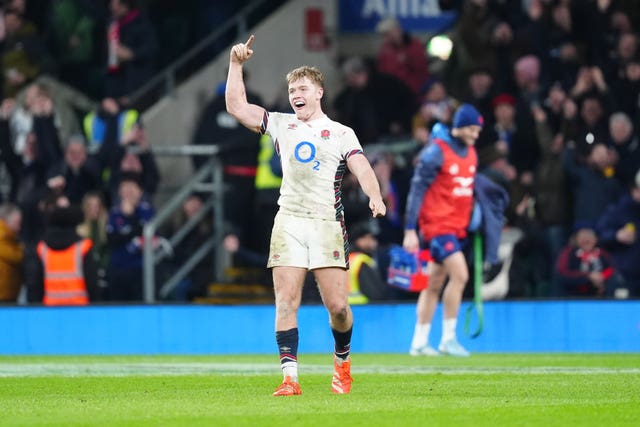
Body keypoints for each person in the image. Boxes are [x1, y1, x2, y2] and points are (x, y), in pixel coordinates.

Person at [225, 35, 386, 396]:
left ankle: (342, 365)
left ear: (318, 92)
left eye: (302, 88)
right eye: (291, 89)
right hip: (289, 221)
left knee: (339, 308)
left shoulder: (342, 133)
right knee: (286, 300)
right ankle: (289, 379)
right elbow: (237, 106)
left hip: (327, 223)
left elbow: (361, 166)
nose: (295, 94)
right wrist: (236, 64)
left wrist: (375, 195)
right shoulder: (283, 124)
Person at [403, 104, 484, 357]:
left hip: (456, 228)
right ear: (459, 127)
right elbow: (416, 191)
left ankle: (418, 342)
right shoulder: (436, 152)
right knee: (460, 275)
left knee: (434, 284)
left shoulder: (471, 153)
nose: (475, 134)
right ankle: (448, 339)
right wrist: (410, 229)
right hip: (437, 227)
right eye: (471, 129)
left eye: (478, 130)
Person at [0, 203, 24, 303]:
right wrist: (22, 249)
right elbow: (16, 257)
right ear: (6, 221)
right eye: (17, 223)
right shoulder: (2, 237)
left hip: (9, 294)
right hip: (3, 296)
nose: (19, 227)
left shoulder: (11, 238)